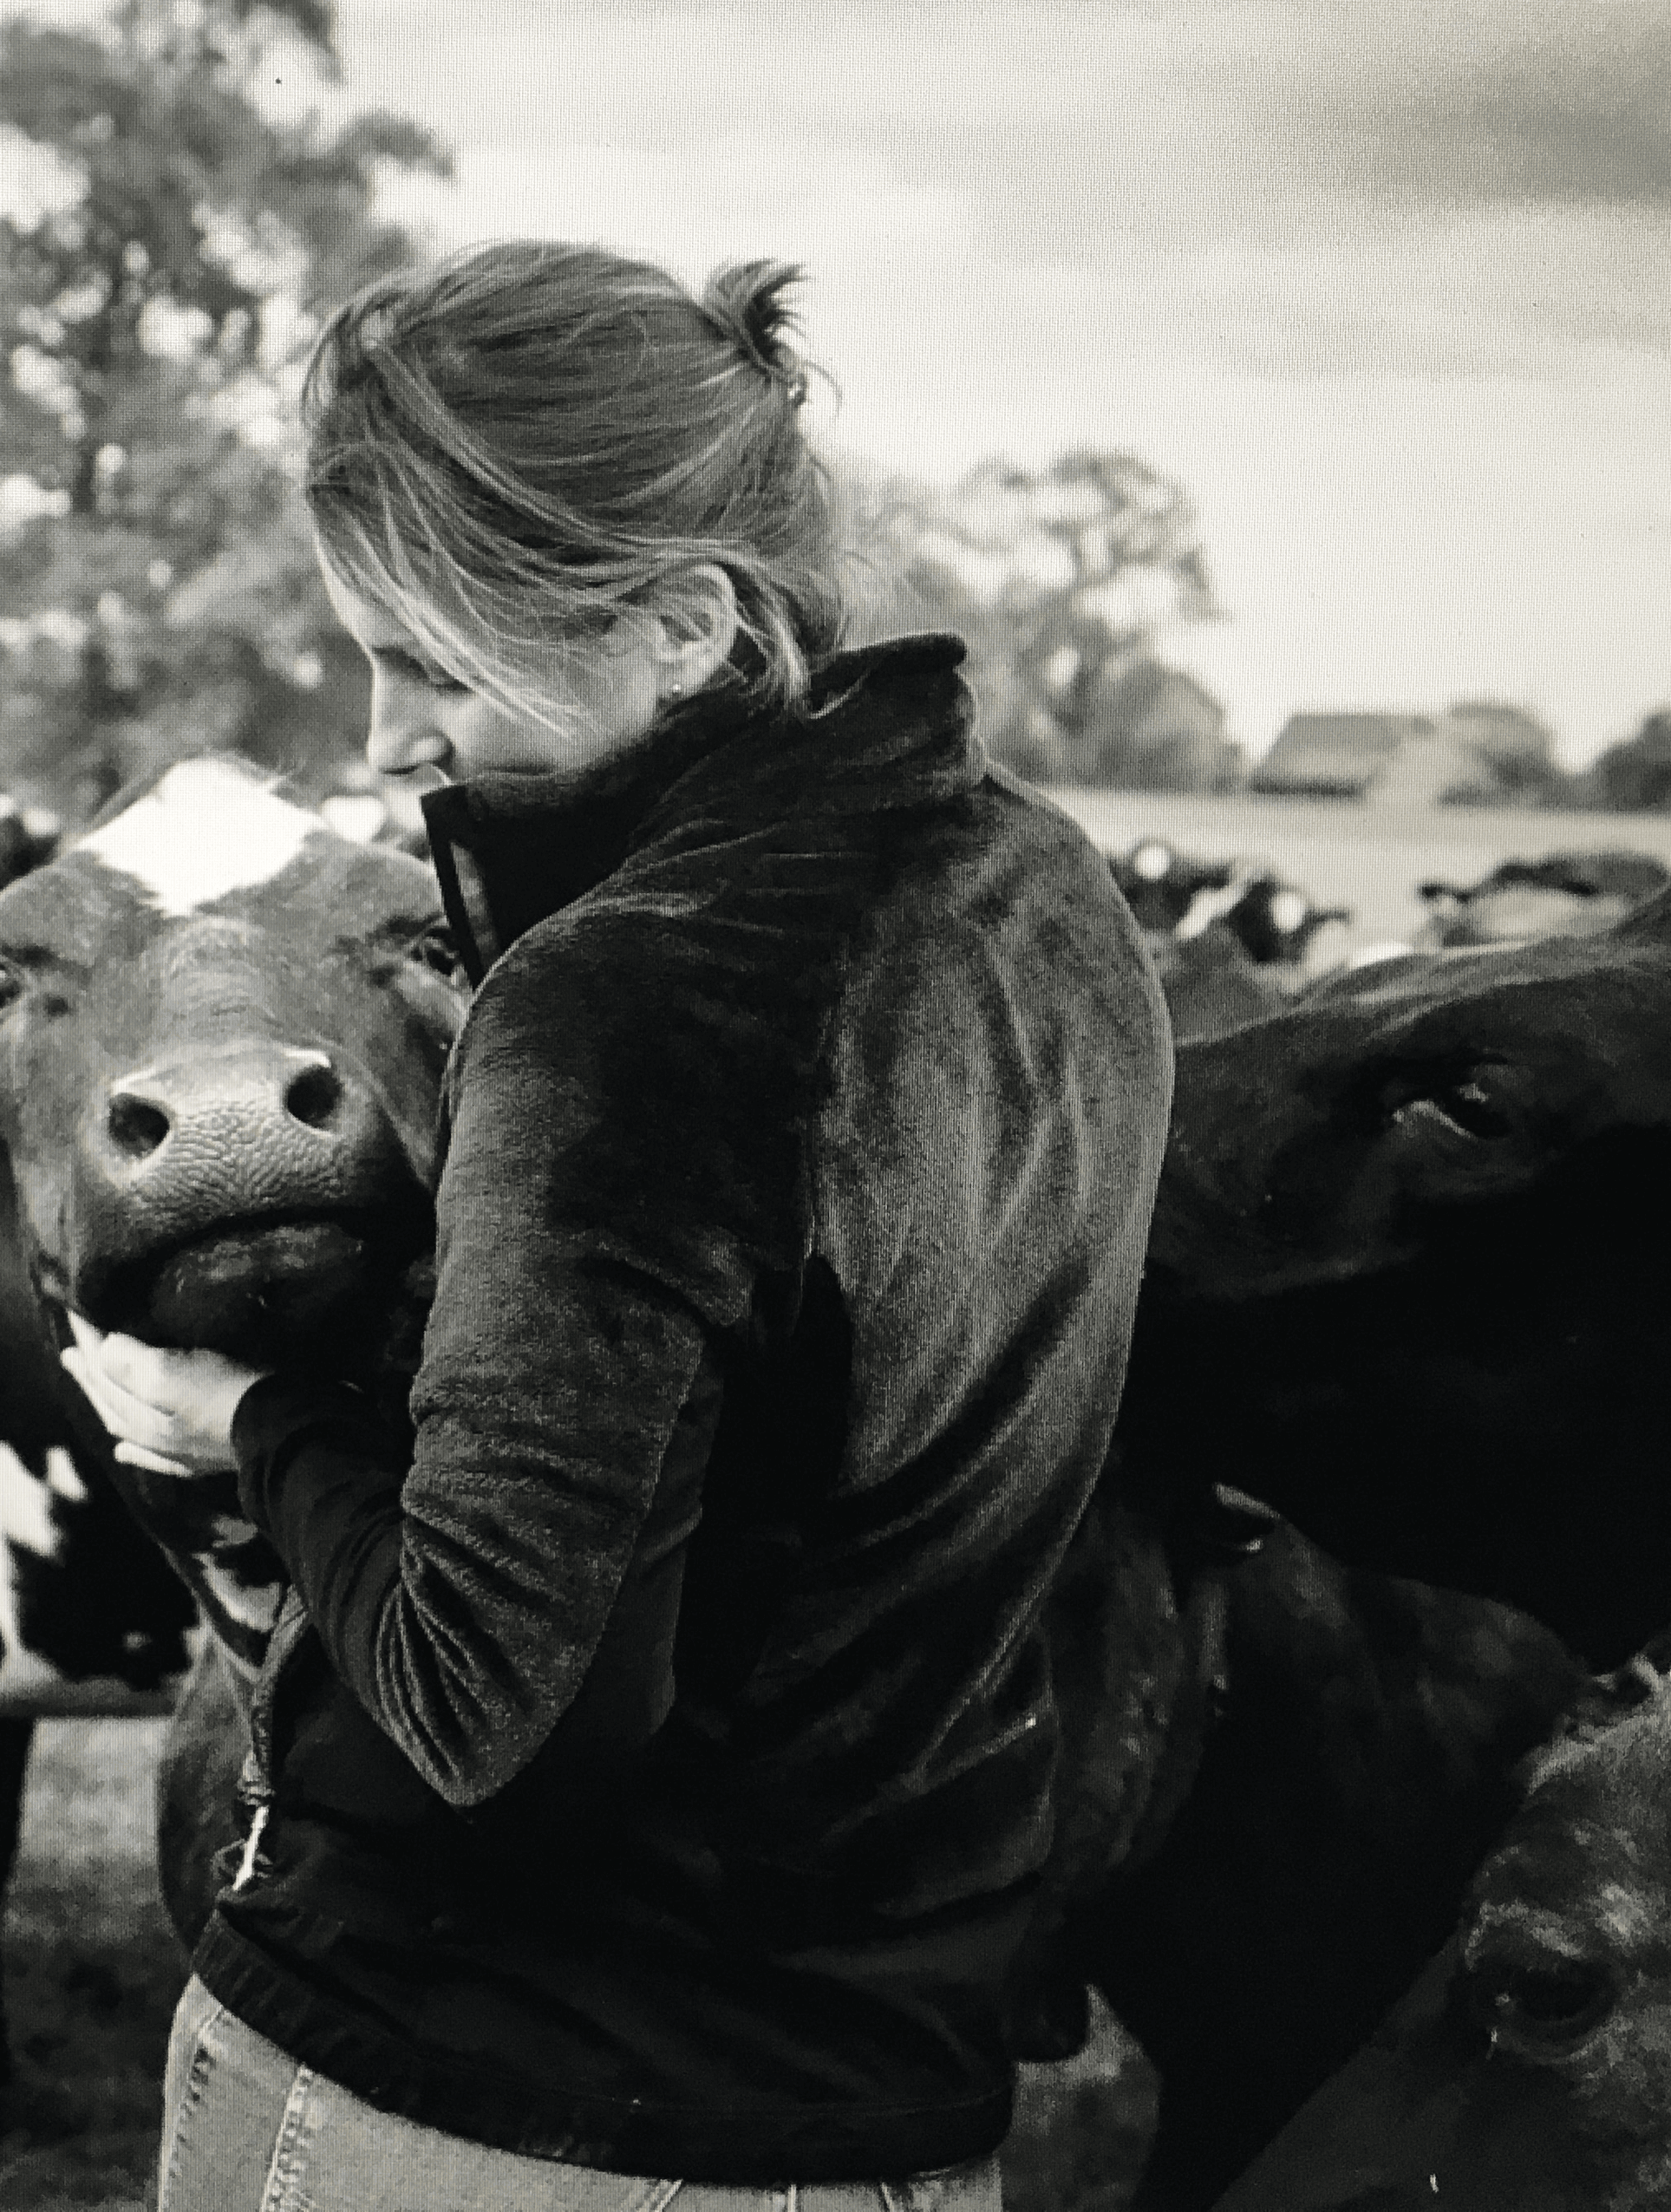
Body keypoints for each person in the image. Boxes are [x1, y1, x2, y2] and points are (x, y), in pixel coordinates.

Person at [62, 239, 1176, 2212]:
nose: (392, 728)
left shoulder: (639, 991)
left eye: (432, 662)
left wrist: (248, 1420)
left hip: (491, 2104)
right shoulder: (1045, 892)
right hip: (891, 2105)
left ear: (677, 621)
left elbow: (495, 1723)